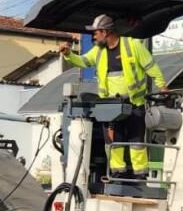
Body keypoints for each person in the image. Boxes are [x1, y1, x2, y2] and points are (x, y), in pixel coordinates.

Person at [59, 14, 166, 179]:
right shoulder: (99, 51)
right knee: (114, 142)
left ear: (105, 32)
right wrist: (68, 55)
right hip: (110, 107)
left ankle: (139, 176)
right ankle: (117, 174)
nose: (93, 36)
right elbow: (83, 61)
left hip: (134, 104)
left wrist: (162, 86)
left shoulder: (132, 45)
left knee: (136, 142)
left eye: (95, 33)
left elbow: (151, 66)